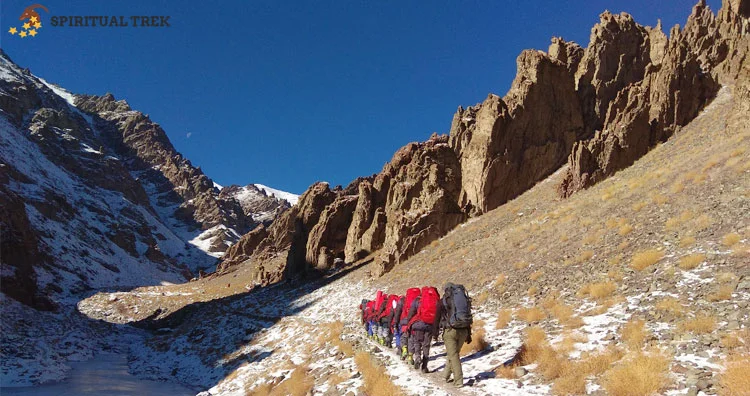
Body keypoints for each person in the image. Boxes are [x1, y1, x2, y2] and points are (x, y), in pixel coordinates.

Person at [440, 283, 473, 388]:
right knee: (453, 354)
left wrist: (436, 332)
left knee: (453, 355)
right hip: (464, 330)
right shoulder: (463, 298)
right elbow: (467, 315)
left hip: (451, 330)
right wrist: (469, 334)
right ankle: (445, 375)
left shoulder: (445, 299)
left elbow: (439, 317)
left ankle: (459, 381)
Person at [406, 286, 441, 373]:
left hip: (418, 324)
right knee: (426, 345)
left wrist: (409, 322)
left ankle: (417, 357)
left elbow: (411, 312)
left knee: (417, 342)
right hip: (430, 325)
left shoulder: (417, 300)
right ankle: (424, 366)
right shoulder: (435, 300)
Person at [398, 287, 421, 360]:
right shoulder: (419, 300)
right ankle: (410, 355)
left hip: (405, 321)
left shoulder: (404, 300)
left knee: (403, 337)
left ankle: (404, 348)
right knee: (412, 339)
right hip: (414, 322)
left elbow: (399, 311)